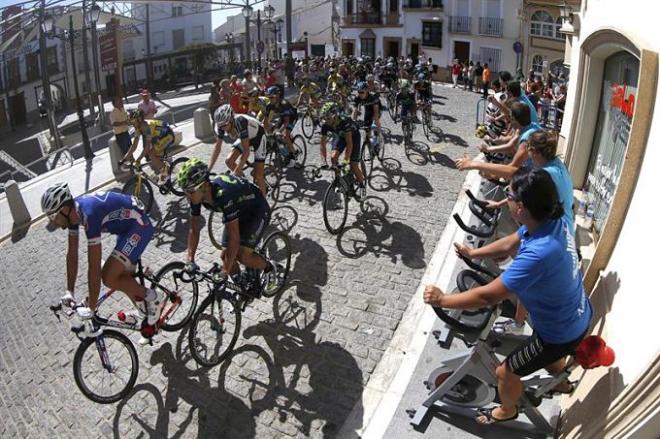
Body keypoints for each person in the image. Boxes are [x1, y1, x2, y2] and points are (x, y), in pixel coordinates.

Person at [423, 167, 592, 425]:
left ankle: (507, 411)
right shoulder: (549, 222)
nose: (506, 198)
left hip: (560, 333)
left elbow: (486, 297)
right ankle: (561, 384)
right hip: (575, 315)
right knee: (545, 351)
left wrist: (442, 300)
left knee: (506, 372)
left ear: (521, 207)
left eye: (508, 195)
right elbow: (511, 242)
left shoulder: (539, 254)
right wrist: (472, 253)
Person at [41, 183, 161, 339]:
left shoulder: (90, 214)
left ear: (64, 210)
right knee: (122, 278)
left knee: (109, 276)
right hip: (125, 228)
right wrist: (69, 291)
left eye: (52, 217)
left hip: (139, 226)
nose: (53, 223)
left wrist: (91, 309)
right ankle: (144, 312)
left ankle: (155, 297)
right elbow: (72, 255)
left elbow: (94, 267)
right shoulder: (73, 216)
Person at [177, 159, 278, 289]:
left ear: (205, 185)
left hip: (257, 210)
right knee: (225, 256)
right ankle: (242, 287)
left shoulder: (223, 195)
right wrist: (190, 259)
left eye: (190, 191)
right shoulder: (197, 196)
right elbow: (194, 229)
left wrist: (224, 272)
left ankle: (270, 267)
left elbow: (234, 239)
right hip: (238, 209)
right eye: (185, 191)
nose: (187, 197)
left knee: (242, 256)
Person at [212, 104, 268, 196]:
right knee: (229, 161)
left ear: (231, 120)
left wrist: (237, 170)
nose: (223, 128)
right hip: (245, 138)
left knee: (258, 175)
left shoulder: (240, 121)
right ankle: (245, 185)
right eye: (221, 126)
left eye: (225, 125)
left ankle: (264, 205)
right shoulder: (222, 125)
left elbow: (246, 152)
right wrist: (209, 169)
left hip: (258, 137)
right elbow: (217, 148)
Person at [318, 102, 366, 199]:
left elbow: (349, 144)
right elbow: (322, 144)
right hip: (340, 136)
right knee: (333, 157)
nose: (326, 121)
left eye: (328, 118)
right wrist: (323, 161)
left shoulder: (344, 122)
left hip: (353, 137)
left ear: (335, 116)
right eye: (324, 118)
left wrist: (345, 160)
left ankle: (362, 185)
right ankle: (338, 181)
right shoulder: (325, 124)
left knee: (353, 165)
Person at [122, 109, 175, 185]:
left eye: (133, 121)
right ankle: (165, 168)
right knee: (153, 155)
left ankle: (165, 174)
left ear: (139, 120)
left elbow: (146, 148)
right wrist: (124, 158)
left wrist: (138, 160)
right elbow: (134, 146)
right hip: (158, 138)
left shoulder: (146, 127)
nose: (132, 124)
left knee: (151, 153)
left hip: (168, 135)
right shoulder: (139, 127)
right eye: (131, 122)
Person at [262, 86, 299, 161]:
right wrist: (265, 130)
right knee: (273, 131)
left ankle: (294, 152)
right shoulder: (269, 106)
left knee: (285, 136)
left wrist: (279, 131)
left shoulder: (284, 104)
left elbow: (286, 122)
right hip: (283, 117)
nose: (270, 99)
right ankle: (282, 147)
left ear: (277, 96)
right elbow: (265, 121)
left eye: (272, 97)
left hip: (292, 117)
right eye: (269, 97)